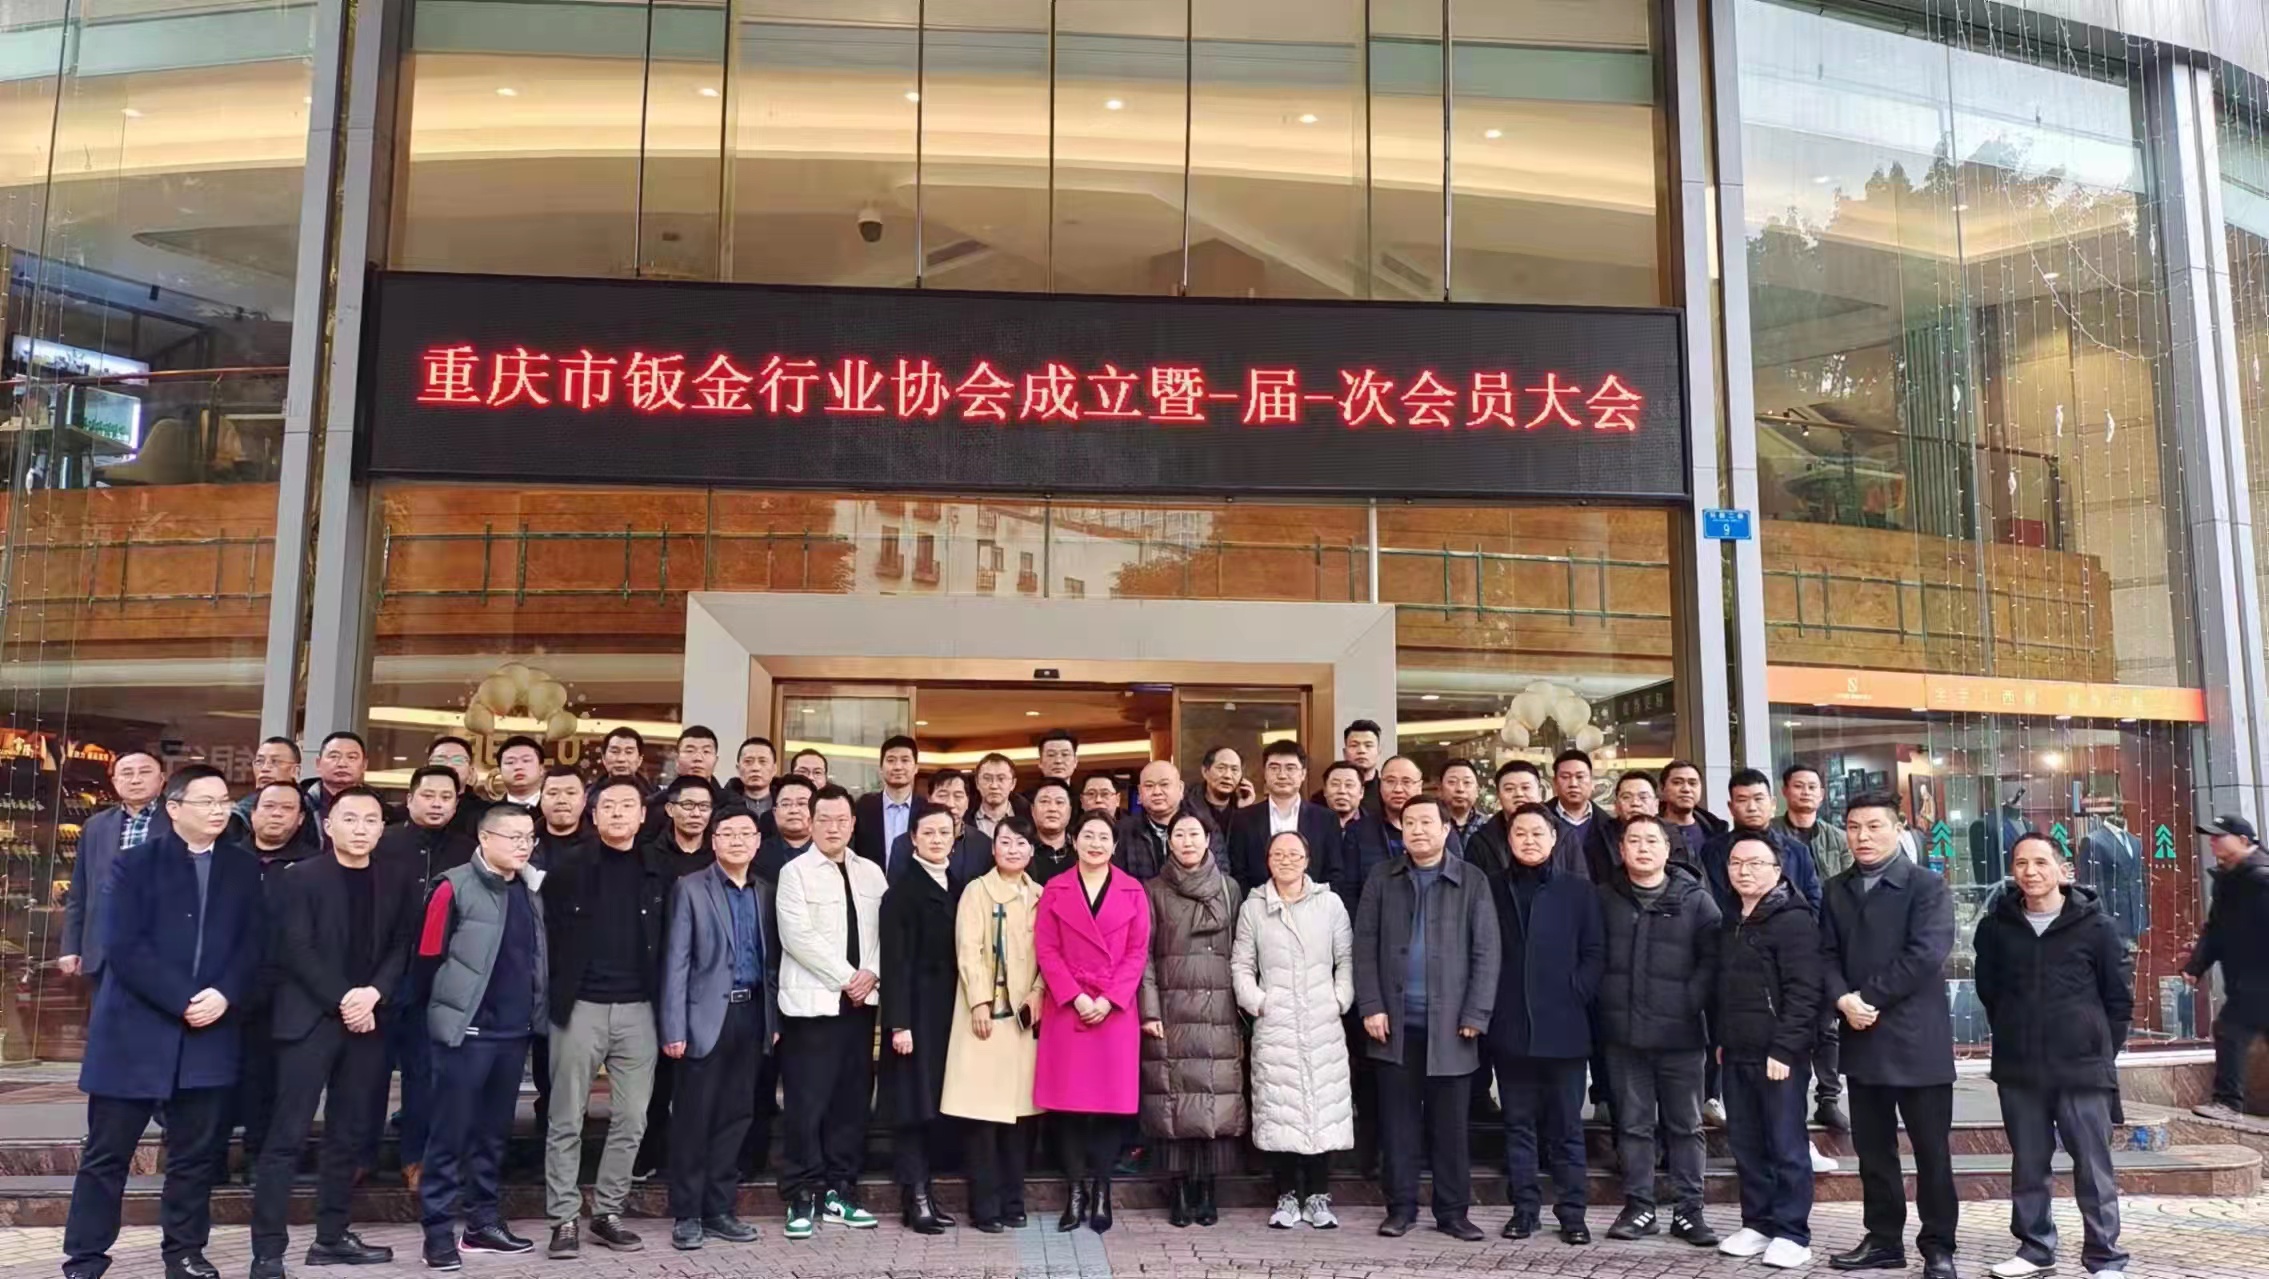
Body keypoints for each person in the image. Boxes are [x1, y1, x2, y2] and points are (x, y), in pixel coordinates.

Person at [62, 765, 260, 1279]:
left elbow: (255, 944)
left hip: (210, 1033)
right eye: (206, 801)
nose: (219, 810)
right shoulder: (135, 864)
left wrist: (225, 994)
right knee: (107, 1155)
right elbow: (124, 945)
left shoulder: (242, 868)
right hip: (134, 1032)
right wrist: (183, 999)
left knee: (195, 1157)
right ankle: (85, 1257)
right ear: (174, 808)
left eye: (224, 801)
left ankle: (185, 1253)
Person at [249, 787, 419, 1276]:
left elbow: (403, 945)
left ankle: (331, 1236)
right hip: (310, 1020)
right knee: (286, 1137)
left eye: (370, 820)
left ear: (382, 829)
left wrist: (374, 994)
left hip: (368, 1022)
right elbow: (295, 948)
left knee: (349, 1135)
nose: (360, 828)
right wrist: (347, 999)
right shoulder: (299, 876)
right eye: (350, 818)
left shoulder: (397, 877)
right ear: (329, 825)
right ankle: (268, 1250)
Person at [1975, 834, 2132, 1279]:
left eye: (2041, 862)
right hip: (2020, 1067)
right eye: (2021, 863)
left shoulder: (2097, 927)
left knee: (2093, 1166)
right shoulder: (1996, 928)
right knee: (2028, 1164)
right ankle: (2034, 1249)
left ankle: (2104, 1258)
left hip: (2082, 1068)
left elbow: (2118, 1000)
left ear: (2064, 871)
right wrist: (2015, 1031)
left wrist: (2096, 1045)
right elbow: (1990, 992)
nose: (2030, 872)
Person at [1822, 792, 1959, 1279]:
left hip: (1917, 1041)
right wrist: (1842, 999)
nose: (1862, 836)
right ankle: (1883, 1240)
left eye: (1874, 826)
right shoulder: (1835, 889)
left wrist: (1866, 998)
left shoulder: (1927, 886)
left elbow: (1925, 955)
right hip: (1862, 1039)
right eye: (1853, 827)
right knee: (1874, 1152)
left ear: (1898, 829)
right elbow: (1824, 954)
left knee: (1931, 1153)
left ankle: (1939, 1246)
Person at [1353, 796, 1499, 1241]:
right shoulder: (1383, 877)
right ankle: (1400, 1208)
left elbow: (1487, 951)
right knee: (1398, 1125)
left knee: (1449, 1127)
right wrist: (1371, 1005)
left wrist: (1476, 1012)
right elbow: (1364, 946)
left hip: (1452, 1026)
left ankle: (1453, 1212)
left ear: (1445, 829)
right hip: (1394, 1025)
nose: (1417, 830)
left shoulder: (1471, 879)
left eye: (1426, 822)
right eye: (1410, 822)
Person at [541, 776, 674, 1258]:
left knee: (633, 1117)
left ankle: (607, 1211)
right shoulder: (567, 869)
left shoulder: (660, 870)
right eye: (608, 806)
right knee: (566, 1117)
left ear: (642, 816)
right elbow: (547, 939)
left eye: (627, 806)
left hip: (640, 1010)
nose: (617, 813)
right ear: (593, 815)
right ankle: (563, 1218)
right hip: (581, 1007)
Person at [415, 804, 546, 1271]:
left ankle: (482, 1223)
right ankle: (437, 1234)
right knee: (449, 1135)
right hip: (466, 1033)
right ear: (484, 838)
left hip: (513, 1032)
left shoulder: (530, 889)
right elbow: (427, 959)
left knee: (492, 1135)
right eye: (513, 837)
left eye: (528, 838)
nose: (523, 846)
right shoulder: (453, 887)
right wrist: (444, 1020)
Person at [1596, 814, 1721, 1247]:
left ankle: (1690, 1210)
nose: (1643, 848)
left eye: (1653, 841)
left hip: (1681, 1037)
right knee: (1633, 1125)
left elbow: (1713, 962)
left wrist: (1689, 1001)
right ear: (1621, 849)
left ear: (1668, 850)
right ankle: (1639, 1206)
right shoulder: (1604, 898)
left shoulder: (1696, 900)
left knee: (1685, 1126)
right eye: (1634, 841)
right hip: (1623, 1035)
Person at [1484, 803, 1602, 1245]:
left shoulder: (1579, 891)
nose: (1529, 840)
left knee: (1567, 1129)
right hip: (1510, 1026)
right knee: (1518, 1126)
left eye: (1538, 833)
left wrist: (1576, 990)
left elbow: (1595, 952)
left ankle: (1573, 1214)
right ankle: (1524, 1210)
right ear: (1508, 840)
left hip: (1565, 1027)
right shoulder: (1492, 888)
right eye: (1520, 833)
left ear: (1554, 839)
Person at [774, 784, 888, 1238]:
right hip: (813, 1007)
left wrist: (871, 974)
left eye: (842, 819)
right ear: (811, 822)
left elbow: (885, 931)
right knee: (806, 1103)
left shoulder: (872, 873)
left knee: (851, 1102)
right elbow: (797, 936)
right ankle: (801, 1194)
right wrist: (849, 977)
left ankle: (841, 1189)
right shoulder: (794, 873)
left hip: (861, 1007)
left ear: (853, 824)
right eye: (824, 819)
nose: (833, 827)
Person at [658, 805, 773, 1252]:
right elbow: (676, 961)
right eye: (728, 834)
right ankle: (687, 1214)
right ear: (714, 840)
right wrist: (673, 1027)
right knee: (693, 1118)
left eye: (746, 834)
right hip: (703, 1019)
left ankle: (720, 1209)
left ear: (757, 843)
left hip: (752, 1015)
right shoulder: (690, 888)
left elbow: (772, 964)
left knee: (736, 1117)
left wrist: (773, 1022)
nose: (738, 841)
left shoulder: (765, 891)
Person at [1034, 811, 1152, 1233]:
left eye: (1104, 837)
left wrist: (1110, 999)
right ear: (1074, 840)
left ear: (1114, 846)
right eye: (1088, 835)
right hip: (1068, 1007)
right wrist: (1076, 995)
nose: (1096, 843)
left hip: (1113, 1012)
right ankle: (1075, 1191)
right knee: (1067, 1107)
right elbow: (1046, 949)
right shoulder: (1055, 888)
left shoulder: (1133, 890)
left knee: (1108, 1108)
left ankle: (1102, 1190)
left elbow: (1138, 951)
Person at [1232, 830, 1353, 1231]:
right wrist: (1257, 1001)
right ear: (1267, 860)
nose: (1286, 860)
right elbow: (1241, 963)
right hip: (1276, 1021)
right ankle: (1285, 1194)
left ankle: (1318, 1195)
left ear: (1307, 859)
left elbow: (1346, 959)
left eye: (1294, 853)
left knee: (1323, 1107)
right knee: (1280, 1108)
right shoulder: (1254, 907)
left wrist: (1339, 999)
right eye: (1278, 854)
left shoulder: (1330, 904)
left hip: (1322, 1020)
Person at [1714, 834, 1824, 1271]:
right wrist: (1722, 1039)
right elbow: (1726, 988)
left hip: (1779, 1054)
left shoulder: (1793, 919)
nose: (1744, 870)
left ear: (1777, 871)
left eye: (1756, 863)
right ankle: (1757, 1223)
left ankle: (1793, 1232)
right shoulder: (1730, 917)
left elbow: (1804, 992)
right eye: (1736, 862)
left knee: (1786, 1144)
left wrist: (1786, 1047)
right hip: (1736, 1049)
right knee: (1746, 1142)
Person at [1138, 811, 1248, 1228]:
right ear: (1169, 842)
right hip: (1171, 1007)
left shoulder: (1229, 888)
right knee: (1175, 1101)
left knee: (1214, 1099)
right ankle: (1180, 1190)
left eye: (1194, 834)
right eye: (1179, 834)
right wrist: (1149, 1009)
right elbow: (1144, 957)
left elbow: (1243, 950)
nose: (1187, 841)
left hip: (1220, 1007)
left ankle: (1208, 1190)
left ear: (1208, 840)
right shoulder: (1153, 890)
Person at [1705, 767, 1827, 1134]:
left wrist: (1792, 929)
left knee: (1784, 1131)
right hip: (1735, 968)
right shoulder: (1714, 851)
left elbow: (1813, 898)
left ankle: (1828, 1098)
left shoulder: (1795, 851)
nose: (1751, 806)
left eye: (1759, 799)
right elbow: (1711, 903)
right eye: (1742, 800)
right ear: (1730, 807)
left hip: (1782, 971)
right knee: (1748, 1135)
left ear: (1773, 803)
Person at [942, 817, 1047, 1233]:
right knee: (983, 1116)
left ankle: (1014, 1201)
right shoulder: (977, 891)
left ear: (1032, 851)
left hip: (1025, 1019)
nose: (1013, 850)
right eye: (1006, 842)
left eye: (1021, 843)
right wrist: (979, 1002)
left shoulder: (1040, 895)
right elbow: (968, 949)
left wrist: (1039, 991)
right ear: (993, 848)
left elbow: (1050, 952)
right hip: (985, 1016)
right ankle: (985, 1206)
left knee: (1020, 1118)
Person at [374, 765, 472, 1188]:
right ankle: (360, 1155)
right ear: (410, 798)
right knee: (370, 1071)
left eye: (446, 797)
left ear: (456, 803)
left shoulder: (469, 850)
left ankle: (416, 1157)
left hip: (438, 977)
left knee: (424, 1071)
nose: (436, 804)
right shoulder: (383, 842)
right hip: (379, 974)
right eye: (428, 795)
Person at [879, 807, 964, 1233]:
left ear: (955, 837)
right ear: (913, 838)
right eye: (928, 832)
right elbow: (894, 963)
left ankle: (927, 1193)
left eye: (944, 832)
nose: (936, 839)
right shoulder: (902, 890)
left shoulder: (957, 884)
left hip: (948, 1013)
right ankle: (914, 1197)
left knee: (933, 1107)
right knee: (912, 1107)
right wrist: (899, 1024)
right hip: (914, 1014)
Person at [632, 776, 717, 1182]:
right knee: (656, 1076)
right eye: (688, 805)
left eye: (704, 807)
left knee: (698, 1076)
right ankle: (650, 1153)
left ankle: (691, 1157)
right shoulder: (647, 856)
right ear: (669, 809)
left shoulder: (718, 856)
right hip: (656, 976)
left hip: (707, 981)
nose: (696, 814)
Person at [232, 780, 318, 1171]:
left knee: (272, 1080)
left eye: (287, 809)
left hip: (288, 991)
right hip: (229, 989)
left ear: (300, 819)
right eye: (269, 807)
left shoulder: (313, 866)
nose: (276, 814)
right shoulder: (228, 860)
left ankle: (261, 1160)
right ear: (252, 814)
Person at [59, 747, 170, 984]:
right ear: (115, 781)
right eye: (127, 773)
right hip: (103, 953)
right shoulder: (96, 826)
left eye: (145, 772)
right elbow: (80, 892)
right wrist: (71, 947)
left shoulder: (181, 821)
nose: (135, 780)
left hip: (161, 953)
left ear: (162, 779)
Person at [2185, 814, 2269, 1120]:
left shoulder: (2261, 879)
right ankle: (2228, 1102)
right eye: (2211, 836)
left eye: (2220, 836)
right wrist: (2196, 966)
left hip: (2259, 981)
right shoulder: (2227, 880)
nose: (2212, 841)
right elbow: (2216, 928)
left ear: (2244, 841)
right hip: (2245, 981)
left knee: (2230, 1029)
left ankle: (2228, 1103)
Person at [1228, 739, 1342, 894]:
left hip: (1314, 904)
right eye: (1274, 768)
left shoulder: (1326, 819)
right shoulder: (1243, 819)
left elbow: (1334, 873)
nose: (1282, 775)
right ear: (1265, 773)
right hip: (1259, 903)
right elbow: (1238, 872)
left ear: (1303, 774)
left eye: (1290, 768)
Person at [1116, 758, 1221, 880]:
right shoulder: (1123, 831)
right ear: (1140, 792)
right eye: (1149, 786)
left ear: (1180, 788)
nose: (1157, 792)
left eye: (1164, 784)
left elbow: (1219, 873)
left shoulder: (1202, 826)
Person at [855, 734, 932, 870]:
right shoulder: (863, 807)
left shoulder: (927, 810)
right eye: (891, 760)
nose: (898, 767)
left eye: (905, 760)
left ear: (916, 768)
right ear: (881, 768)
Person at [1775, 763, 1853, 880]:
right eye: (1798, 786)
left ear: (1821, 794)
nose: (1806, 792)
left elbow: (1849, 882)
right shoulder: (1768, 833)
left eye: (1812, 787)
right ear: (1785, 791)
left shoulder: (1840, 839)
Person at [1583, 770, 1659, 883]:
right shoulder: (1598, 840)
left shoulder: (1672, 835)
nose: (1635, 803)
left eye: (1643, 797)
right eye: (1626, 797)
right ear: (1616, 806)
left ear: (1656, 805)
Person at [227, 736, 301, 840]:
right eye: (259, 762)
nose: (265, 768)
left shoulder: (313, 808)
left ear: (295, 771)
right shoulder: (241, 814)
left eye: (275, 762)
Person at [1547, 749, 1604, 879]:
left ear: (1592, 782)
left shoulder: (1608, 825)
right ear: (1554, 783)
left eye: (1580, 777)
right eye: (1565, 777)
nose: (1573, 784)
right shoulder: (1539, 820)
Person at [302, 731, 370, 838]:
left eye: (351, 757)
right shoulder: (300, 804)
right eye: (334, 756)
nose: (342, 764)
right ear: (318, 763)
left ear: (364, 765)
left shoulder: (381, 808)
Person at [1657, 760, 1723, 867]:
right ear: (1662, 788)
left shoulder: (1716, 830)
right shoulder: (1652, 831)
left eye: (1692, 783)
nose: (1686, 789)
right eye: (1677, 783)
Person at [753, 775, 816, 884]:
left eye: (802, 803)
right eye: (786, 804)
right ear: (774, 812)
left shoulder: (829, 852)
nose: (794, 810)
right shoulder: (756, 854)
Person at [535, 765, 591, 870]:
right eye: (553, 793)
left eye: (571, 793)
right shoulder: (526, 842)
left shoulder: (603, 842)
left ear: (584, 799)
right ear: (540, 798)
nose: (561, 800)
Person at [1027, 778, 1077, 883]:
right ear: (1032, 810)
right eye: (1044, 802)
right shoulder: (1021, 850)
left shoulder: (1082, 849)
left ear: (1070, 811)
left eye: (1059, 802)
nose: (1052, 808)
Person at [970, 753, 1023, 838]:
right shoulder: (964, 820)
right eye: (987, 779)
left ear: (1013, 784)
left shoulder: (1029, 818)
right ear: (977, 783)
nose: (994, 786)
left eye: (1001, 779)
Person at [727, 735, 777, 823]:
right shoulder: (723, 804)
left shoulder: (784, 806)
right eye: (748, 761)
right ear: (738, 769)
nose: (755, 768)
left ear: (774, 769)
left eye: (763, 761)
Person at [1438, 759, 1486, 846]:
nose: (1460, 789)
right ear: (1440, 789)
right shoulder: (1430, 824)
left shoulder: (1489, 826)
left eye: (1467, 782)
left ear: (1477, 791)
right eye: (1452, 782)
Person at [1197, 745, 1244, 832]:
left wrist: (1245, 811)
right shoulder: (1188, 807)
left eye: (1234, 770)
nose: (1227, 775)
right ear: (1205, 771)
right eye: (1221, 768)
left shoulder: (1242, 807)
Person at [493, 736, 546, 812]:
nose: (518, 767)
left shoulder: (556, 810)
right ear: (500, 771)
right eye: (510, 762)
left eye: (526, 760)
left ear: (541, 769)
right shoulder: (490, 814)